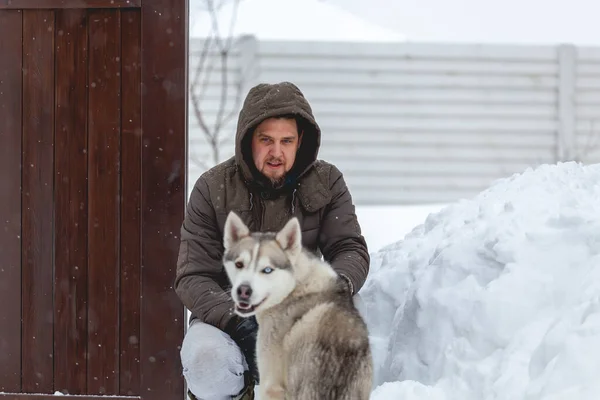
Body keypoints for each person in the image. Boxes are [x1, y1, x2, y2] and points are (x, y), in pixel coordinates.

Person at [175, 81, 370, 400]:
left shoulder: (327, 182)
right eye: (266, 140)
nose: (276, 152)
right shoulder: (212, 189)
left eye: (286, 140)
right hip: (230, 312)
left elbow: (348, 248)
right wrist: (241, 321)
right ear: (247, 140)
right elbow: (192, 275)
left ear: (300, 141)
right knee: (205, 359)